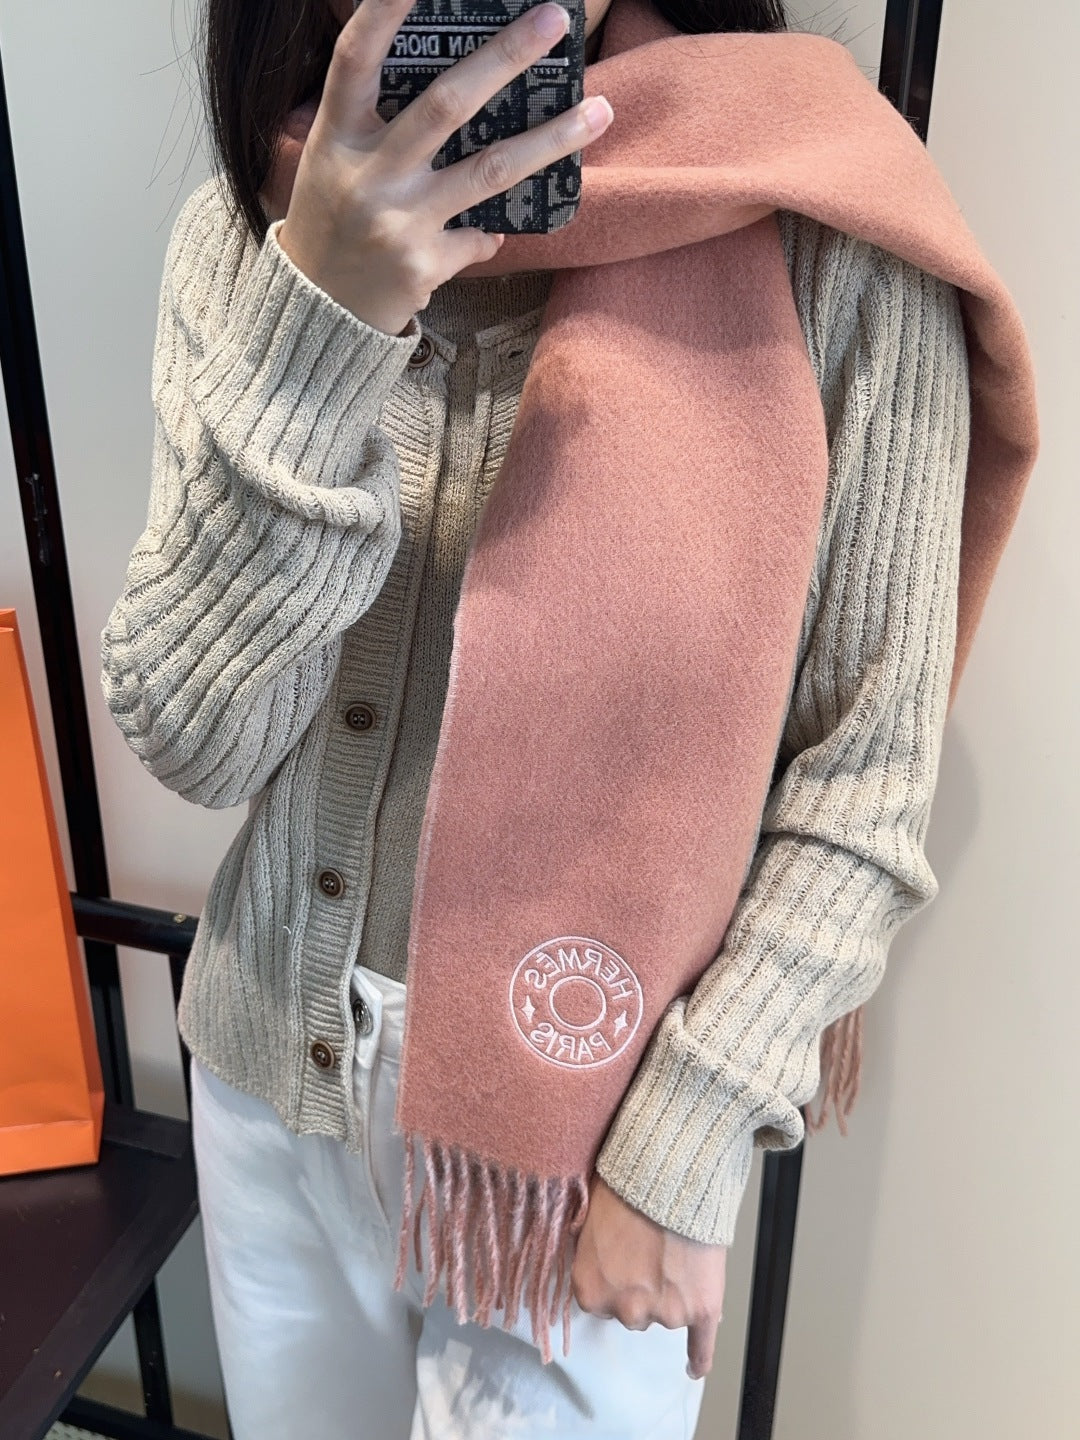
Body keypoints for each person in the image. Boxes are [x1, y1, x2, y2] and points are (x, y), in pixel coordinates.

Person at [99, 0, 970, 1434]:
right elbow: (201, 739)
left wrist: (682, 1150)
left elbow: (863, 776)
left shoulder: (824, 226)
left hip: (587, 1147)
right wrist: (323, 324)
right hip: (271, 1078)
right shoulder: (256, 230)